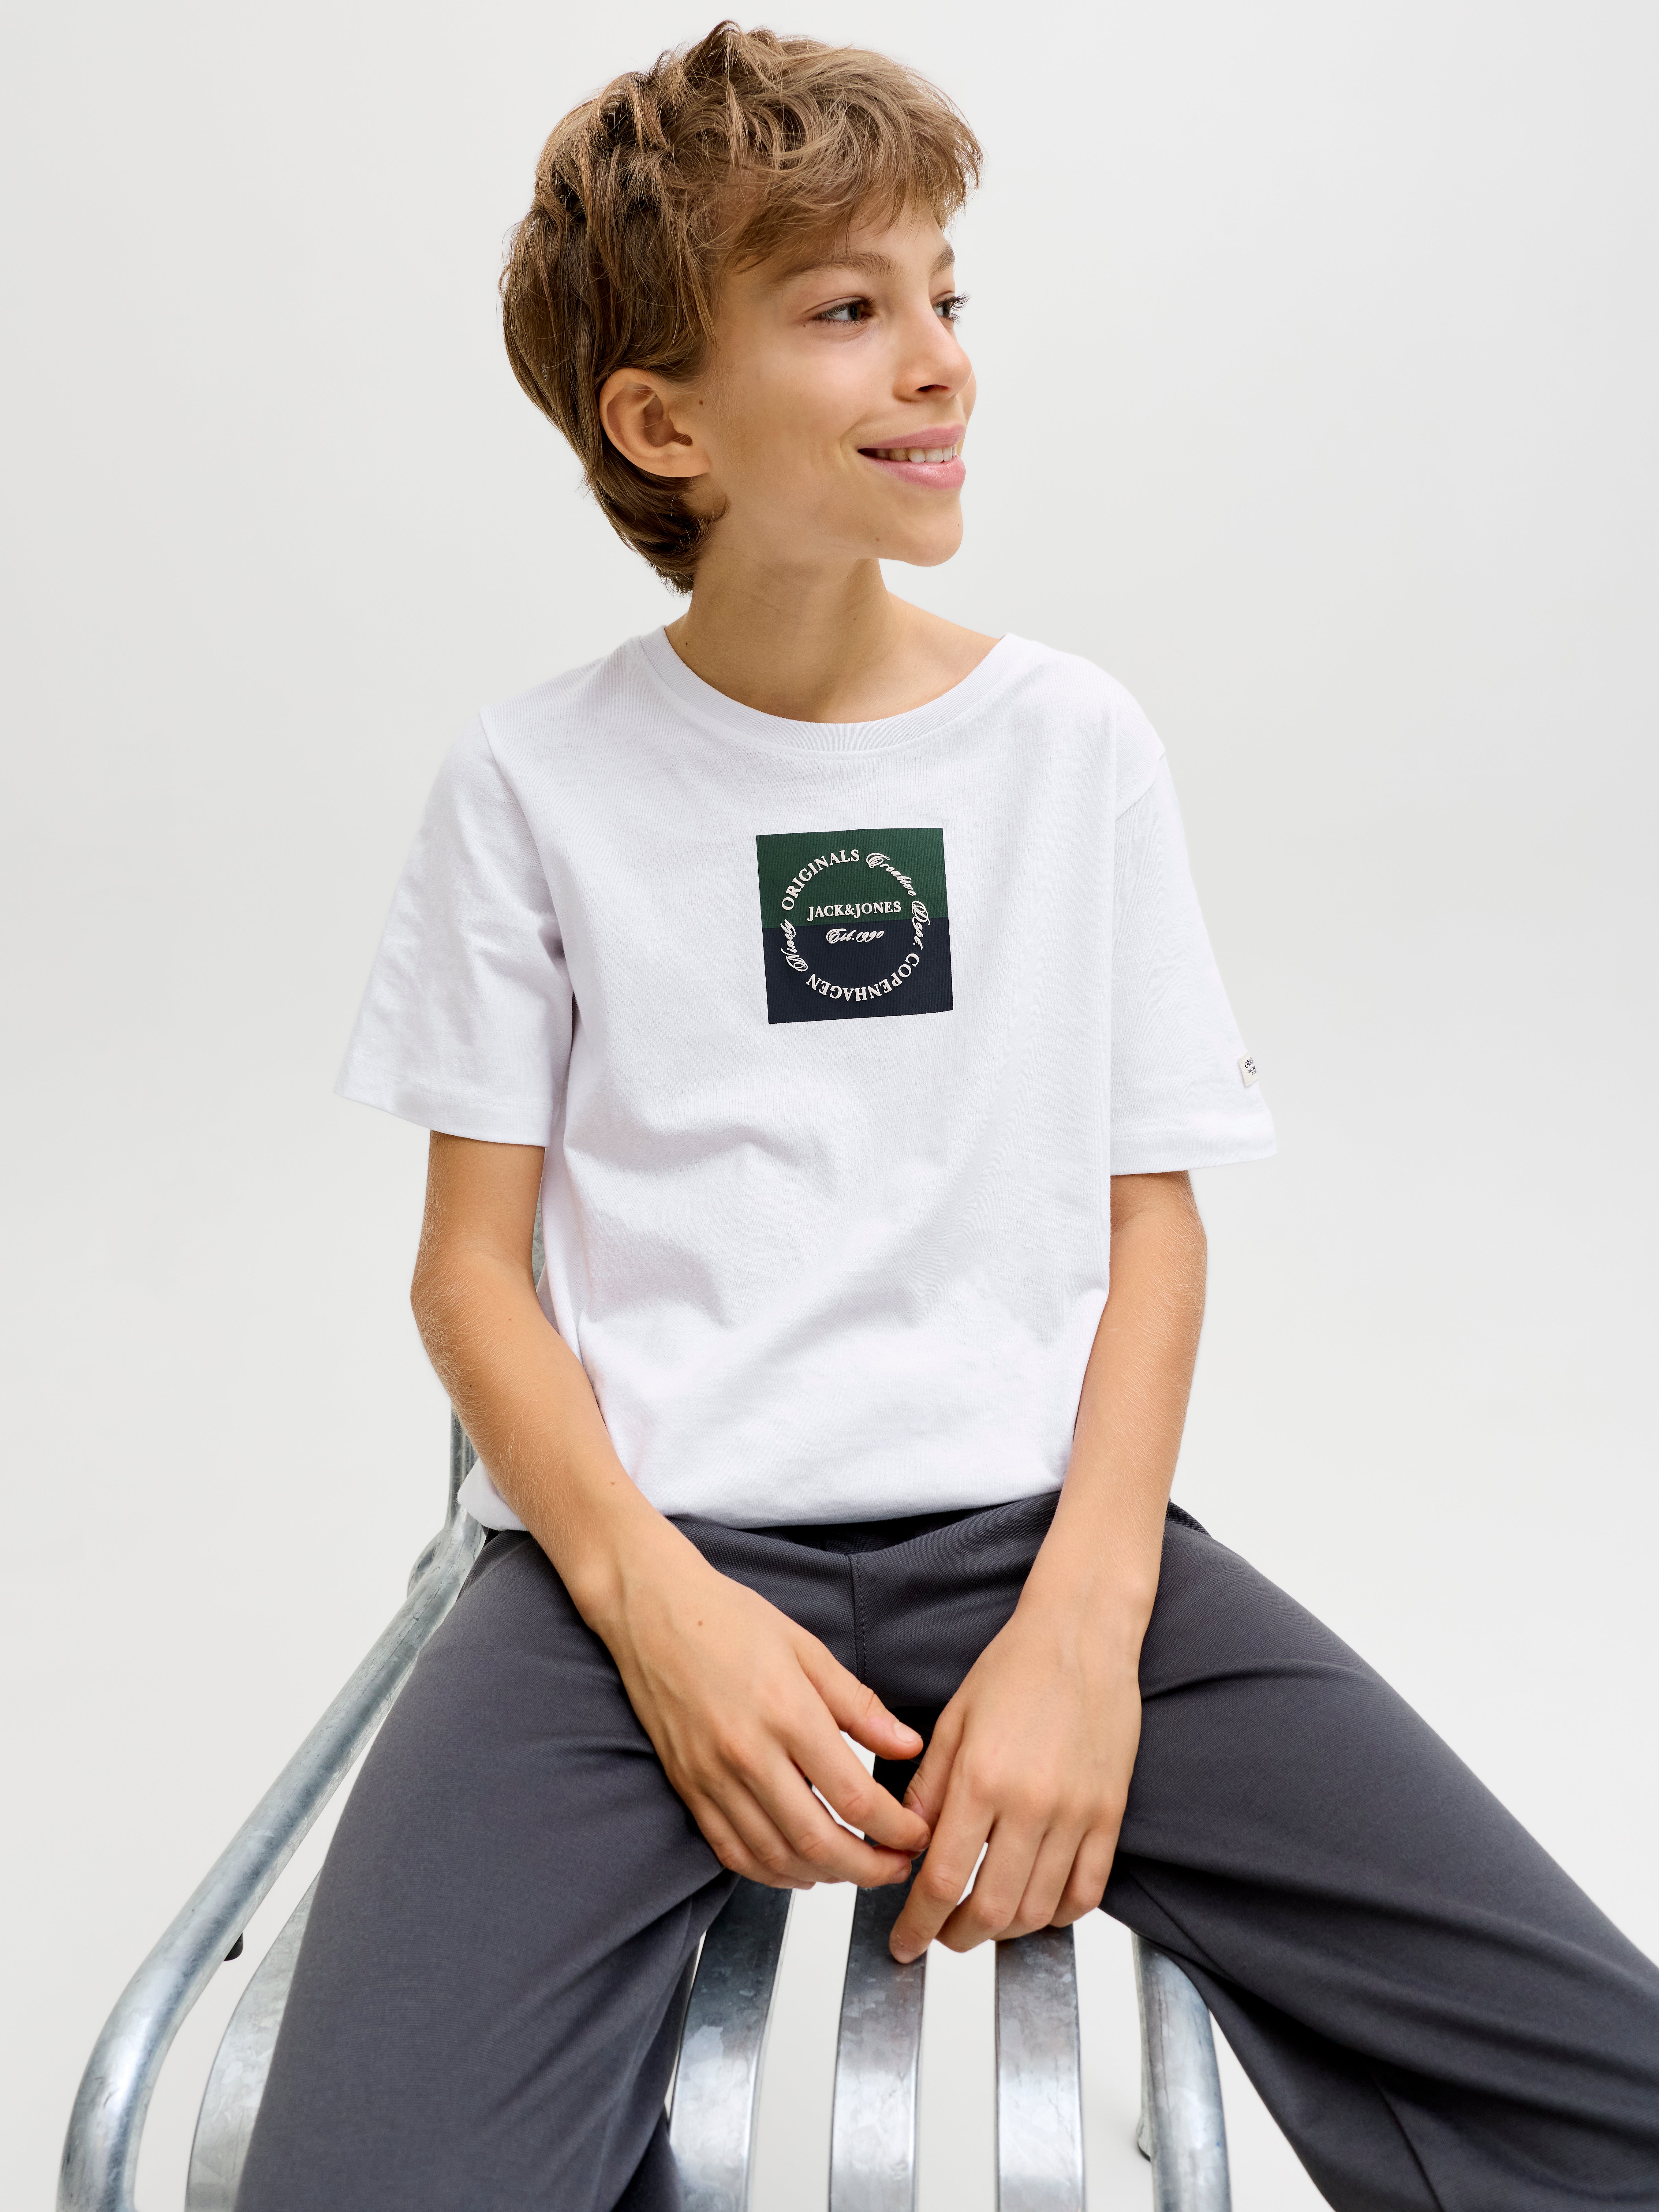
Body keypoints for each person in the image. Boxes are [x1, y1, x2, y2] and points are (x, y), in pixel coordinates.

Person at [236, 24, 1659, 2211]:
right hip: (632, 1584)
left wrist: (1087, 1629)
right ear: (663, 423)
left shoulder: (1073, 747)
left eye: (943, 295)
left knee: (1613, 2103)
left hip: (1042, 1546)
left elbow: (1154, 1223)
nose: (939, 362)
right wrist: (655, 1613)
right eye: (847, 308)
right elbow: (468, 1277)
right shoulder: (535, 781)